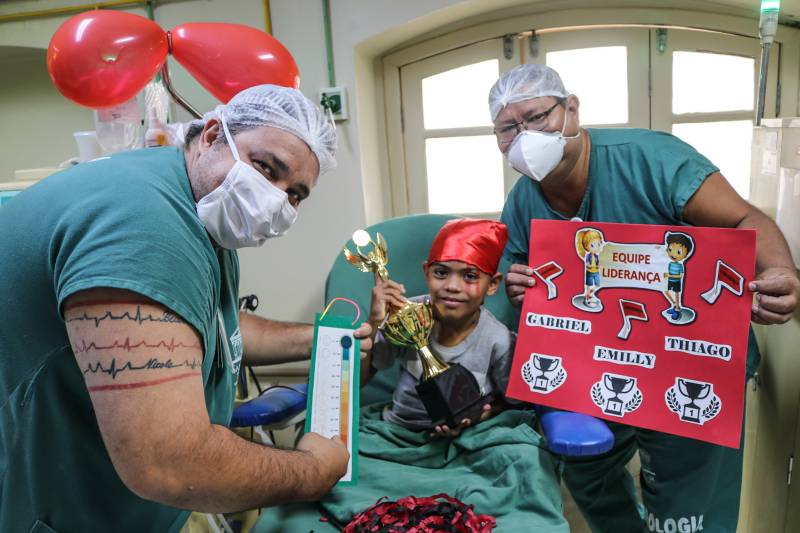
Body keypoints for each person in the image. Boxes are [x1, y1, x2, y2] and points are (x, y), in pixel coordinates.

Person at [0, 84, 374, 532]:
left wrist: (320, 340)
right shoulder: (143, 226)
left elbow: (200, 328)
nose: (274, 198)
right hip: (48, 506)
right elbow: (169, 464)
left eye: (295, 193)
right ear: (213, 134)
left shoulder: (197, 210)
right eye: (264, 167)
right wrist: (313, 469)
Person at [490, 64, 800, 532]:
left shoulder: (651, 160)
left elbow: (745, 220)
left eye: (537, 117)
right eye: (508, 128)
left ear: (571, 109)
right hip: (594, 365)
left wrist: (780, 270)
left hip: (688, 363)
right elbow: (517, 278)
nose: (525, 137)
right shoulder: (522, 200)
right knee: (587, 474)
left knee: (684, 511)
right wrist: (519, 288)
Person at [256, 218, 567, 532]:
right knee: (332, 468)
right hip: (396, 438)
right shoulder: (407, 316)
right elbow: (358, 379)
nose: (452, 286)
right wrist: (375, 322)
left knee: (524, 461)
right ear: (426, 272)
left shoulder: (498, 339)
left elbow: (512, 401)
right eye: (441, 273)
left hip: (468, 444)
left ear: (493, 284)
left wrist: (480, 414)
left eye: (470, 276)